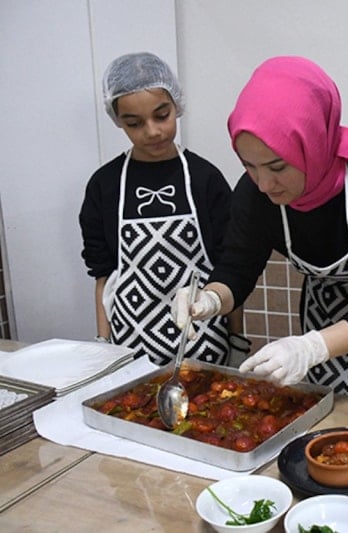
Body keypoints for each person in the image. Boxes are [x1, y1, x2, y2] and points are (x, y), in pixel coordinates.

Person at [172, 56, 348, 401]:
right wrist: (211, 298)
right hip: (321, 318)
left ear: (312, 144)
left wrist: (312, 347)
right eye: (249, 166)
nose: (264, 183)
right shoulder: (254, 193)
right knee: (326, 410)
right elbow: (237, 267)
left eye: (278, 166)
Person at [79, 52, 248, 366]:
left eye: (162, 115)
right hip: (130, 350)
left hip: (204, 345)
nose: (152, 131)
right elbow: (103, 274)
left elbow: (228, 268)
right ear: (118, 121)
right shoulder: (105, 185)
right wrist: (103, 343)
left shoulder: (205, 179)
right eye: (134, 123)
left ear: (176, 106)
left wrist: (237, 339)